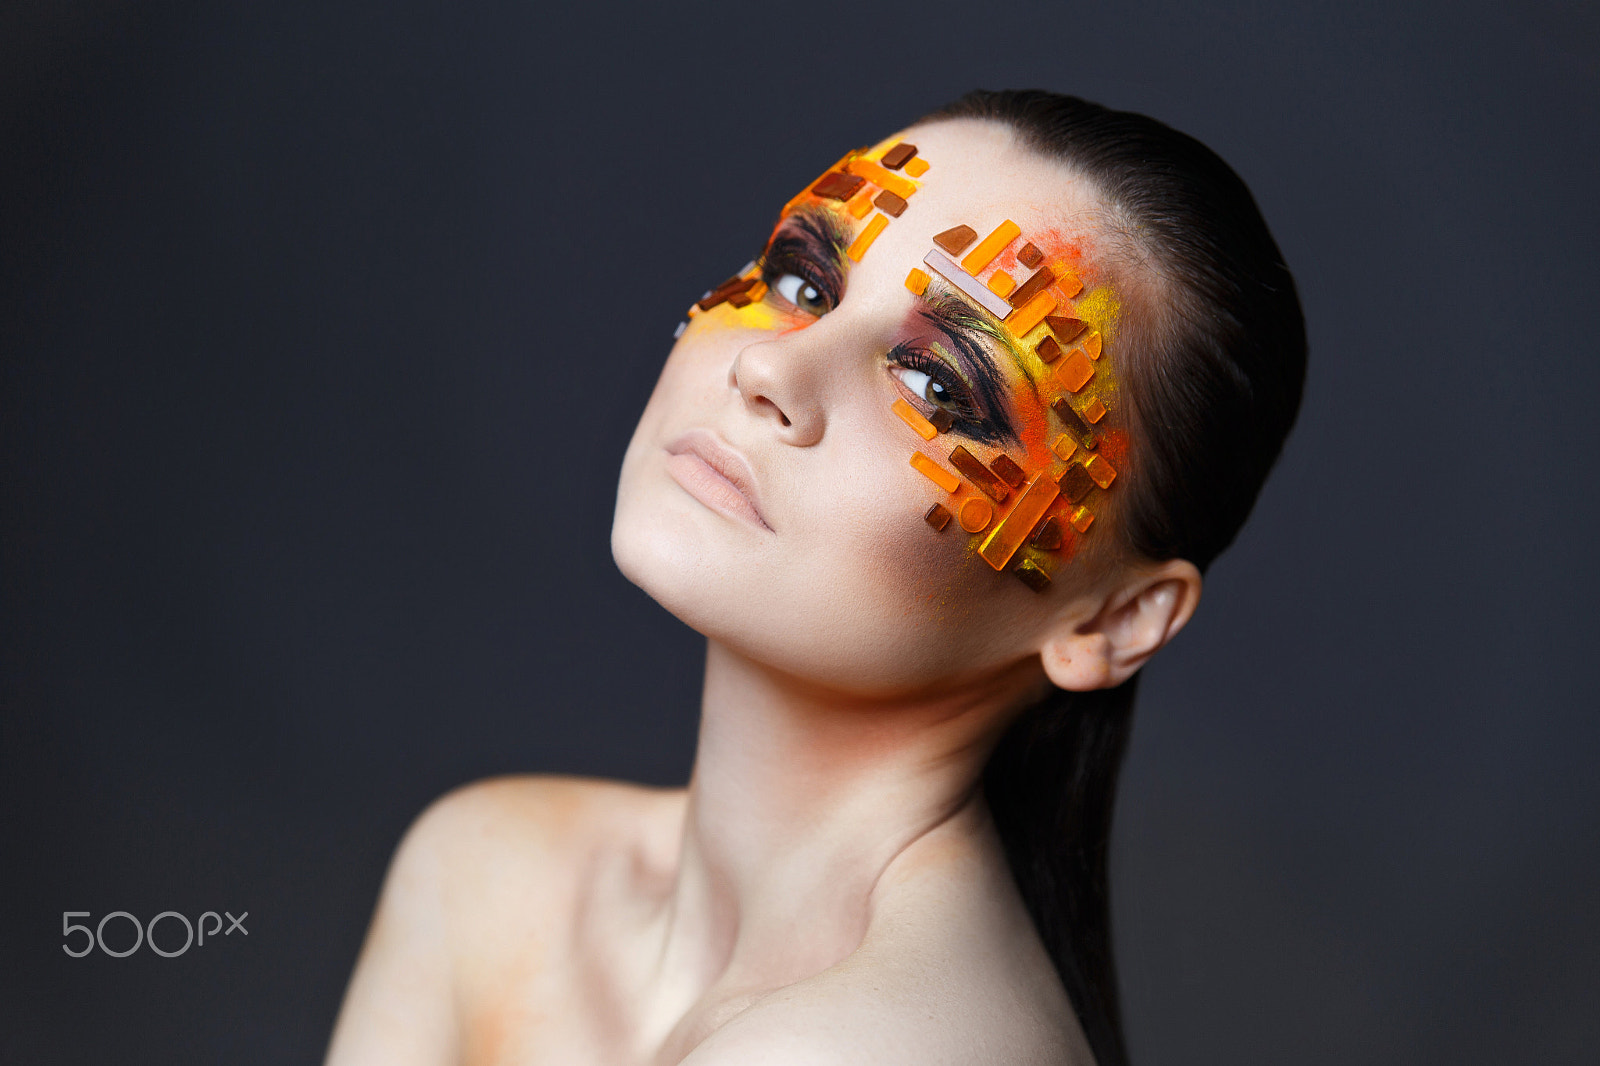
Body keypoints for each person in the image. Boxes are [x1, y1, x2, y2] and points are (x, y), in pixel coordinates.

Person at [324, 89, 1306, 1066]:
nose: (770, 370)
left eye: (937, 386)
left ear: (1116, 620)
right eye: (803, 281)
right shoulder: (486, 870)